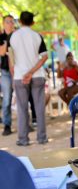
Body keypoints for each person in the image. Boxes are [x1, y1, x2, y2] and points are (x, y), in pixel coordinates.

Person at [9, 11, 48, 146]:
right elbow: (44, 56)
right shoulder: (37, 36)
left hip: (20, 76)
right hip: (37, 76)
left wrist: (17, 75)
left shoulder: (13, 36)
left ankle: (23, 139)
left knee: (22, 108)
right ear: (33, 23)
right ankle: (42, 138)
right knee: (39, 108)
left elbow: (11, 59)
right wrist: (31, 72)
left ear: (19, 21)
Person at [0, 15, 15, 136]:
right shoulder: (1, 36)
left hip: (18, 72)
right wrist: (7, 39)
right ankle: (7, 125)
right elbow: (2, 52)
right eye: (7, 22)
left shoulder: (18, 36)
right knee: (7, 100)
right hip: (5, 72)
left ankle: (27, 124)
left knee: (22, 99)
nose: (10, 24)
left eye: (12, 22)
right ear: (3, 24)